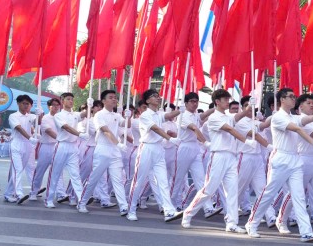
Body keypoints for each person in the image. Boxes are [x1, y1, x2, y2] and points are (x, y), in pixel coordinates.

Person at [245, 87, 313, 242]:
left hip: (295, 159)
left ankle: (306, 232)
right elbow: (297, 129)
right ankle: (252, 223)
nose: (293, 98)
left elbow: (309, 119)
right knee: (268, 193)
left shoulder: (294, 116)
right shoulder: (277, 117)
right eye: (290, 96)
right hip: (281, 158)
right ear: (282, 100)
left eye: (294, 96)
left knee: (299, 196)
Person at [182, 89, 252, 231]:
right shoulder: (214, 118)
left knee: (232, 191)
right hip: (218, 156)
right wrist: (247, 141)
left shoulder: (227, 117)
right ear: (217, 102)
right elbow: (230, 129)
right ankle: (188, 214)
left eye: (228, 99)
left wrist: (250, 107)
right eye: (225, 99)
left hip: (231, 157)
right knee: (209, 189)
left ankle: (232, 223)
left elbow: (237, 117)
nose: (228, 102)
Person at [127, 89, 181, 222]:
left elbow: (169, 116)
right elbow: (155, 128)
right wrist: (170, 138)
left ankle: (168, 211)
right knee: (139, 180)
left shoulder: (159, 114)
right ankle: (131, 209)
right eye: (154, 96)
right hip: (146, 148)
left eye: (158, 96)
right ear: (147, 100)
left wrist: (181, 109)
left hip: (158, 149)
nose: (158, 98)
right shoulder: (145, 115)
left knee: (163, 181)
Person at [80, 89, 130, 215]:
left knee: (117, 179)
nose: (114, 99)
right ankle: (82, 202)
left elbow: (126, 125)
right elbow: (105, 131)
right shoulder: (99, 115)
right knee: (94, 179)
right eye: (111, 97)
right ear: (103, 101)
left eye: (115, 97)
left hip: (114, 152)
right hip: (103, 149)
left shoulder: (117, 115)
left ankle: (123, 206)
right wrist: (118, 144)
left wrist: (128, 116)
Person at [45, 92, 87, 211]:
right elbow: (66, 128)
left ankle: (81, 201)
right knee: (55, 173)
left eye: (72, 99)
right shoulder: (59, 116)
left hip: (73, 147)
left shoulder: (75, 114)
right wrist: (80, 134)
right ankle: (48, 199)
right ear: (62, 101)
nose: (71, 101)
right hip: (62, 146)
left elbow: (84, 114)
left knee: (75, 175)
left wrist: (90, 105)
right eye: (68, 99)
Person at [4, 95, 36, 204]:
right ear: (18, 103)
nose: (26, 105)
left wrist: (40, 114)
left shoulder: (31, 116)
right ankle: (19, 194)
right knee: (17, 170)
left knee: (18, 171)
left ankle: (8, 194)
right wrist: (30, 137)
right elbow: (18, 128)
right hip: (17, 144)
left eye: (28, 104)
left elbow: (39, 123)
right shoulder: (13, 116)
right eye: (24, 103)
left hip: (27, 146)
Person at [31, 98, 60, 197]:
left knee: (57, 171)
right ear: (49, 106)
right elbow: (48, 131)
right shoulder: (45, 119)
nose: (56, 107)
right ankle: (34, 192)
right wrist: (62, 139)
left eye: (57, 105)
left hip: (58, 146)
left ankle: (60, 193)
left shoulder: (60, 118)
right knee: (40, 170)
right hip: (46, 146)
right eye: (54, 105)